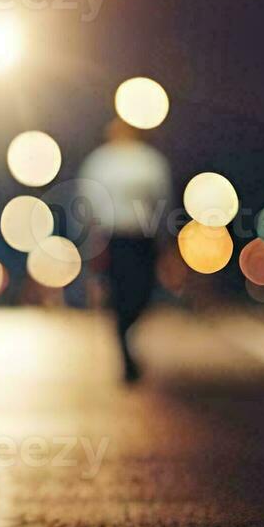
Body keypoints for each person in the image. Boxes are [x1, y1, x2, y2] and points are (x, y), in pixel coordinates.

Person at [79, 119, 171, 383]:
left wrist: (164, 238)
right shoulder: (100, 162)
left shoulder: (149, 161)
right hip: (113, 237)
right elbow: (88, 203)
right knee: (119, 295)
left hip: (143, 237)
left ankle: (127, 336)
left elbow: (162, 201)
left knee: (143, 292)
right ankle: (126, 358)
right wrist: (92, 241)